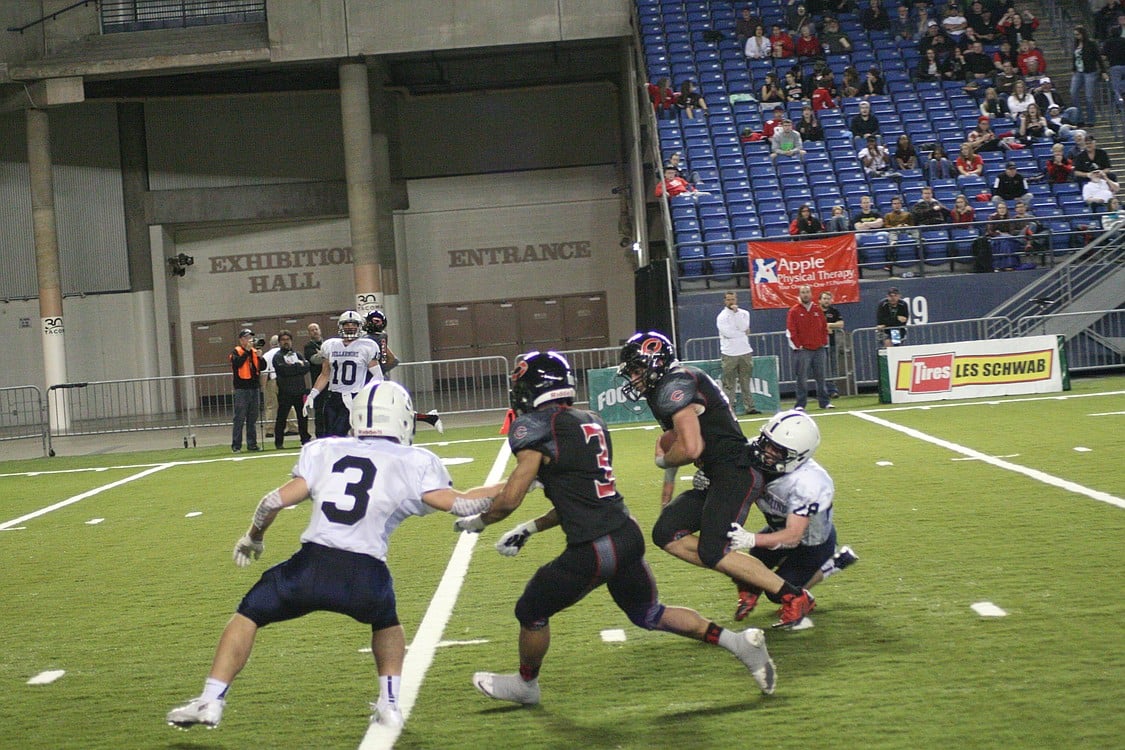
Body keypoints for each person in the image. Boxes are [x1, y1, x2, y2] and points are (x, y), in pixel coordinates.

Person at [165, 381, 500, 731]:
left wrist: (254, 539)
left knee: (247, 616)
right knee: (387, 623)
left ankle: (211, 700)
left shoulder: (325, 450)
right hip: (366, 575)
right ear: (402, 420)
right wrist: (518, 482)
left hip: (309, 568)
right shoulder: (415, 462)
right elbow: (464, 504)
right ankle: (389, 704)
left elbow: (271, 502)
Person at [457, 352, 777, 705]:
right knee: (649, 613)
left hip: (594, 546)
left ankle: (525, 685)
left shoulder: (535, 427)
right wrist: (530, 528)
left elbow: (510, 497)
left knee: (531, 610)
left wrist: (481, 520)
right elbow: (578, 496)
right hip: (626, 533)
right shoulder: (590, 420)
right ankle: (740, 644)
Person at [615, 332, 817, 627]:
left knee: (713, 550)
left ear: (655, 363)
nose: (633, 377)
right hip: (718, 473)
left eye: (636, 369)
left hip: (735, 472)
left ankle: (793, 596)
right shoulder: (673, 383)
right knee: (666, 532)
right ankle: (747, 577)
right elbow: (675, 438)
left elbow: (690, 447)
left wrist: (663, 460)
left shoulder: (676, 383)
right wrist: (667, 490)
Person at [726, 410, 857, 625]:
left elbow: (793, 536)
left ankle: (832, 565)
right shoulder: (757, 451)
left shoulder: (809, 482)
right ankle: (750, 590)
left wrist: (751, 538)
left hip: (810, 542)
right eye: (766, 443)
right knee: (745, 566)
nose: (766, 452)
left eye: (777, 450)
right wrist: (706, 474)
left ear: (798, 455)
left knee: (778, 592)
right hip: (778, 529)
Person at [304, 310, 383, 438]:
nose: (350, 327)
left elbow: (378, 376)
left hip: (353, 397)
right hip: (333, 397)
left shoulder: (367, 346)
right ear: (341, 326)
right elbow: (325, 374)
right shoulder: (330, 345)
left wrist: (364, 395)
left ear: (359, 326)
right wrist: (313, 394)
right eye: (347, 324)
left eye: (353, 324)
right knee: (328, 435)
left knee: (339, 432)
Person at [787, 285, 833, 411]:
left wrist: (823, 342)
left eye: (807, 292)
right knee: (801, 378)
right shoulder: (794, 311)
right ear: (799, 294)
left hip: (819, 348)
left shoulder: (817, 309)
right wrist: (798, 345)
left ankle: (824, 402)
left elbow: (824, 327)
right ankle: (800, 404)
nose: (805, 294)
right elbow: (792, 330)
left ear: (811, 294)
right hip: (803, 350)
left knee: (821, 377)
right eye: (803, 292)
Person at [263, 329, 311, 449]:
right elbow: (284, 371)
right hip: (285, 392)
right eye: (283, 340)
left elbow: (306, 367)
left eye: (288, 339)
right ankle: (279, 442)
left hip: (300, 391)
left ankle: (305, 439)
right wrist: (297, 366)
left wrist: (294, 367)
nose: (286, 342)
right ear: (279, 342)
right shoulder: (277, 356)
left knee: (303, 417)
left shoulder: (297, 354)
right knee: (282, 418)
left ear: (291, 341)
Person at [716, 292, 760, 416]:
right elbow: (728, 333)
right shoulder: (721, 317)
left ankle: (750, 407)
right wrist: (742, 332)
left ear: (736, 299)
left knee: (745, 381)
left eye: (733, 299)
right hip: (729, 353)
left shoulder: (744, 314)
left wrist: (737, 315)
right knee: (729, 383)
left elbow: (744, 326)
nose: (731, 302)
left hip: (745, 351)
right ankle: (728, 408)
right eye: (728, 299)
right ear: (725, 301)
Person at [229, 328, 262, 453]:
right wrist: (247, 352)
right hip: (242, 388)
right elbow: (237, 363)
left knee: (252, 418)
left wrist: (260, 357)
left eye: (251, 338)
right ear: (241, 339)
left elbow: (261, 367)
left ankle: (252, 444)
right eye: (247, 338)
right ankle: (236, 445)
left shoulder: (254, 351)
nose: (250, 340)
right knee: (239, 417)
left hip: (254, 387)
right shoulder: (236, 352)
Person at [1070, 25, 1106, 126]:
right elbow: (1075, 57)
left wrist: (1103, 71)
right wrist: (1073, 68)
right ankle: (1079, 118)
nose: (1076, 36)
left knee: (1089, 96)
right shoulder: (1076, 44)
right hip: (1078, 71)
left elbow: (1098, 58)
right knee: (1073, 93)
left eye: (1078, 34)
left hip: (1089, 71)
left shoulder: (1091, 44)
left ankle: (1091, 119)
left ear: (1083, 34)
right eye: (1075, 35)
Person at [818, 291, 843, 399]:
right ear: (820, 300)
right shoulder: (816, 311)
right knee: (821, 368)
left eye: (828, 298)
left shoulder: (834, 311)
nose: (826, 300)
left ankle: (832, 390)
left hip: (832, 343)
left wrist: (829, 325)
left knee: (833, 367)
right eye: (824, 298)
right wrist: (824, 327)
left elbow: (841, 324)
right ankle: (823, 390)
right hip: (819, 344)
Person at [304, 322, 328, 438]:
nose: (315, 331)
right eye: (312, 330)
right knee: (319, 410)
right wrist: (326, 355)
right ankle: (320, 435)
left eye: (316, 329)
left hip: (332, 382)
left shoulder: (327, 344)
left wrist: (322, 354)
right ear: (309, 333)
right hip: (318, 383)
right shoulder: (308, 347)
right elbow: (314, 360)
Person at [987, 201, 1021, 270]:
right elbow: (990, 232)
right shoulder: (992, 218)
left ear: (1006, 209)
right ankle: (1008, 265)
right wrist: (999, 234)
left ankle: (1003, 265)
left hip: (1007, 238)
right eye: (1000, 208)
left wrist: (1003, 234)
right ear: (997, 209)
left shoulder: (1009, 219)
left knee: (1006, 241)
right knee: (1004, 241)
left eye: (1003, 208)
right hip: (995, 239)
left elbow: (1011, 232)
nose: (1002, 210)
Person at [261, 334, 280, 439]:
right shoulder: (286, 353)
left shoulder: (267, 355)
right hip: (285, 381)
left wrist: (263, 387)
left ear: (271, 344)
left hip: (272, 381)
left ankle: (270, 430)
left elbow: (264, 372)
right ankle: (293, 427)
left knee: (271, 406)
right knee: (288, 405)